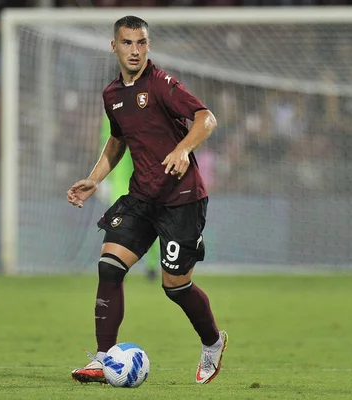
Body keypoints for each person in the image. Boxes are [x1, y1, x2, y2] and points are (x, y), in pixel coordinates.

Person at [67, 15, 227, 385]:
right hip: (142, 196)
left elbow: (207, 118)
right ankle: (104, 360)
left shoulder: (162, 84)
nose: (135, 50)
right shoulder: (112, 95)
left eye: (141, 43)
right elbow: (118, 140)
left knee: (175, 286)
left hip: (182, 198)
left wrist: (184, 149)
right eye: (127, 43)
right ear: (114, 46)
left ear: (148, 46)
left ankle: (213, 342)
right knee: (109, 266)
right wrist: (94, 179)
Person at [99, 115, 161, 281]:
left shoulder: (143, 108)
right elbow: (107, 144)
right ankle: (117, 264)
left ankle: (151, 266)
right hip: (124, 178)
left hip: (141, 178)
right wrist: (105, 179)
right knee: (122, 224)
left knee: (146, 223)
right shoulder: (114, 110)